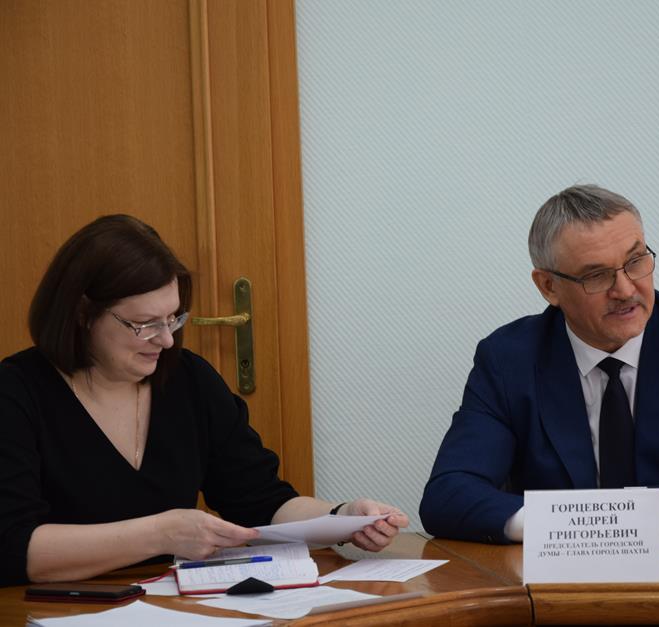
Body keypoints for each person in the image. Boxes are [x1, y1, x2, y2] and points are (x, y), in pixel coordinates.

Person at [0, 215, 408, 586]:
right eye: (144, 324)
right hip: (50, 607)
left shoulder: (188, 379)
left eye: (173, 319)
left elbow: (261, 501)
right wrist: (160, 533)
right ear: (82, 313)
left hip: (168, 604)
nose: (166, 340)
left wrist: (341, 518)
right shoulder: (16, 392)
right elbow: (11, 547)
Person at [420, 184, 659, 543]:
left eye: (635, 261)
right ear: (549, 286)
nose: (625, 290)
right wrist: (564, 528)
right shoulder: (509, 361)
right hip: (557, 574)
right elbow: (449, 495)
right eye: (596, 275)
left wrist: (603, 519)